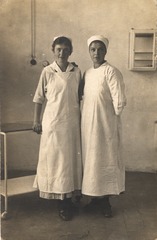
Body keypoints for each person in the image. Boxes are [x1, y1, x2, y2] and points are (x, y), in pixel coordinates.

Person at [32, 36, 82, 221]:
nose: (62, 53)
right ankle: (62, 203)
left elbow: (80, 97)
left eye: (66, 49)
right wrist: (36, 121)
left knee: (70, 161)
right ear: (53, 50)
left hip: (72, 124)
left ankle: (69, 195)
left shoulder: (76, 71)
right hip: (53, 123)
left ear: (71, 51)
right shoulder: (47, 71)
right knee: (57, 163)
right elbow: (38, 98)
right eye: (59, 49)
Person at [80, 35, 126, 217]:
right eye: (93, 49)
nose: (96, 53)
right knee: (91, 162)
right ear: (89, 52)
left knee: (104, 160)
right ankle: (94, 199)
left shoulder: (112, 72)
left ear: (105, 51)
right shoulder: (88, 73)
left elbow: (119, 102)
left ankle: (105, 202)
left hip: (105, 126)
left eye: (100, 49)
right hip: (88, 126)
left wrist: (108, 122)